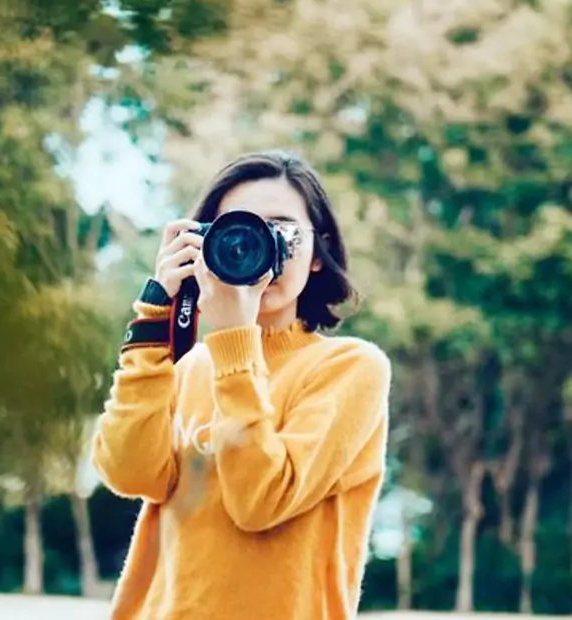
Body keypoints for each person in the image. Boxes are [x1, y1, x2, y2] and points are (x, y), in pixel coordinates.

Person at [91, 150, 391, 620]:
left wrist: (234, 342)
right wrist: (155, 318)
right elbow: (129, 473)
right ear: (204, 245)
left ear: (317, 255)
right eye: (236, 231)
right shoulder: (191, 367)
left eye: (282, 232)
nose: (258, 248)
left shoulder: (350, 369)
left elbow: (260, 502)